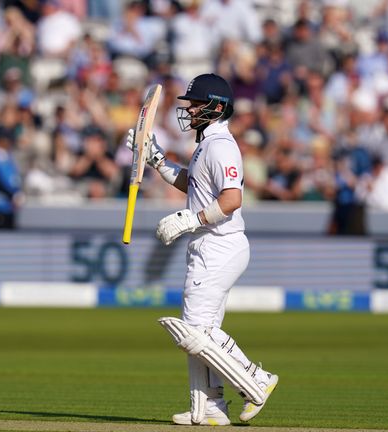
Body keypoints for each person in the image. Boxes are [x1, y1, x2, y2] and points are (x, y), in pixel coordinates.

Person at [127, 74, 278, 426]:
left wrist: (189, 221)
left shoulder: (222, 145)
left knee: (194, 329)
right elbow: (192, 183)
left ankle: (256, 379)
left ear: (216, 107)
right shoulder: (207, 145)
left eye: (195, 103)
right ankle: (210, 407)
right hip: (210, 246)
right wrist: (157, 161)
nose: (190, 109)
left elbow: (232, 199)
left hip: (220, 244)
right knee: (202, 328)